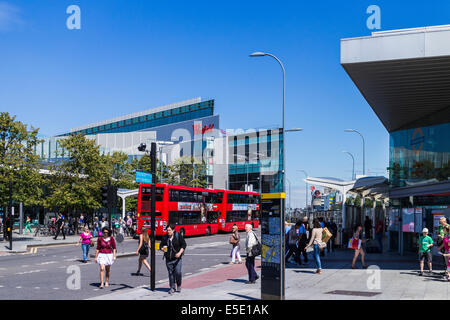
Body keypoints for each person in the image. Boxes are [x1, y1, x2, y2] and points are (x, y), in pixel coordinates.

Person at [160, 224, 186, 294]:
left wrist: (180, 253)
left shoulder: (178, 236)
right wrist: (162, 248)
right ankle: (172, 287)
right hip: (168, 259)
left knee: (178, 272)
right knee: (171, 274)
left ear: (173, 230)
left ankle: (179, 285)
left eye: (169, 230)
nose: (168, 232)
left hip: (177, 259)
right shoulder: (165, 237)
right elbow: (161, 245)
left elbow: (184, 244)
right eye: (167, 230)